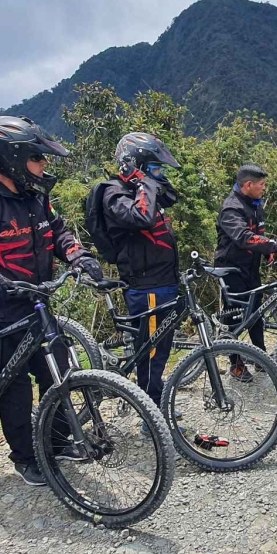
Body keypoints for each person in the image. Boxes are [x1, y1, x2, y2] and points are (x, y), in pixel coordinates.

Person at [0, 115, 103, 487]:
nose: (44, 165)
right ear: (11, 157)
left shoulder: (35, 196)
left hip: (37, 306)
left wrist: (77, 255)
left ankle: (57, 442)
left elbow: (57, 232)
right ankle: (26, 458)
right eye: (37, 158)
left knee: (59, 373)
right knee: (14, 391)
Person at [101, 132, 181, 405]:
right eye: (155, 168)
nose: (158, 175)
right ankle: (152, 413)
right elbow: (142, 218)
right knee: (151, 354)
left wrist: (149, 180)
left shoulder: (141, 188)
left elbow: (171, 196)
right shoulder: (114, 193)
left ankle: (154, 405)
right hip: (146, 287)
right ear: (135, 165)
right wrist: (142, 180)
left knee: (160, 350)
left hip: (164, 283)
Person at [215, 163, 277, 381]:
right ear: (248, 185)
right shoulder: (231, 208)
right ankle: (236, 364)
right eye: (262, 185)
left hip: (251, 268)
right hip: (231, 271)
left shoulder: (256, 204)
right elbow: (245, 238)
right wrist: (276, 244)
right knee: (235, 318)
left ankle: (259, 356)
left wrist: (269, 252)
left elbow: (259, 234)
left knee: (256, 314)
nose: (264, 188)